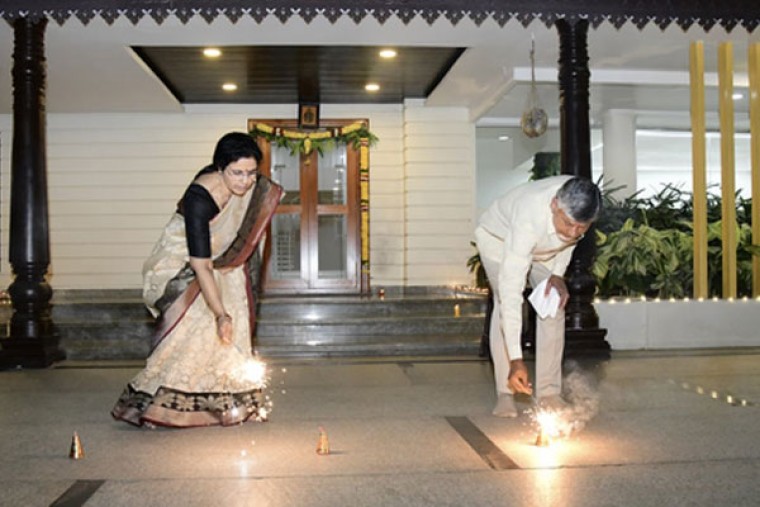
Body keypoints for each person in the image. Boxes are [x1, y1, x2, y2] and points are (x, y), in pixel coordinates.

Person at [112, 132, 283, 428]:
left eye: (251, 173)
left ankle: (230, 401)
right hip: (183, 260)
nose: (245, 181)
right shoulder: (199, 199)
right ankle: (164, 406)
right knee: (196, 323)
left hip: (224, 261)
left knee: (236, 317)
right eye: (237, 173)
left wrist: (227, 309)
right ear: (220, 168)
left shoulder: (250, 188)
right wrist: (219, 314)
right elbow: (201, 264)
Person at [474, 175, 601, 417]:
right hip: (499, 240)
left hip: (546, 251)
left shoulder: (580, 204)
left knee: (553, 303)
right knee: (504, 303)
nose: (573, 232)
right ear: (554, 205)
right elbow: (512, 295)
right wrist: (516, 359)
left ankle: (549, 393)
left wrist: (557, 274)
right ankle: (506, 391)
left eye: (581, 227)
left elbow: (569, 243)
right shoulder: (528, 216)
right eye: (568, 223)